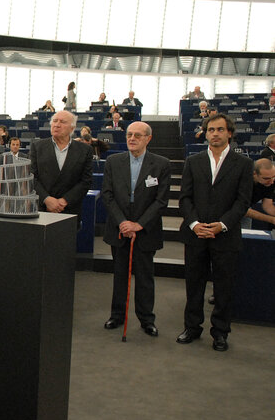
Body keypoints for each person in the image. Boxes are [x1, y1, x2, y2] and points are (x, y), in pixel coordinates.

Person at [176, 114, 252, 352]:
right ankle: (192, 327)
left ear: (229, 133)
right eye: (211, 130)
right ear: (205, 133)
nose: (215, 133)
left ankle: (220, 332)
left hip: (226, 235)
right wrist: (194, 224)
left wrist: (222, 225)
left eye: (220, 129)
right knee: (194, 284)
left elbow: (242, 202)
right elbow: (185, 198)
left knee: (223, 287)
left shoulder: (243, 164)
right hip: (195, 234)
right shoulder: (193, 161)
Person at [102, 122, 170, 337]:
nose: (132, 138)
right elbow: (108, 195)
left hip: (146, 229)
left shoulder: (161, 164)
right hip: (119, 228)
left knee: (144, 276)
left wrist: (139, 224)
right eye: (129, 134)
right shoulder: (113, 161)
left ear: (148, 139)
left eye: (137, 135)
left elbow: (161, 200)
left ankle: (146, 319)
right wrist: (123, 222)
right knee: (120, 274)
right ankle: (117, 315)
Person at [30, 111, 93, 227]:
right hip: (42, 210)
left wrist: (64, 201)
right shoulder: (37, 147)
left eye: (62, 122)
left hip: (69, 210)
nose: (57, 125)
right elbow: (31, 177)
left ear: (72, 128)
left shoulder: (85, 150)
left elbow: (86, 181)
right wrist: (47, 199)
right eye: (55, 121)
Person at [242, 158, 275, 229]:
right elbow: (242, 210)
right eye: (266, 178)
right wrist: (271, 219)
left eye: (273, 177)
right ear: (254, 174)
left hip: (246, 210)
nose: (271, 182)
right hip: (226, 211)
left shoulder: (270, 182)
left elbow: (267, 205)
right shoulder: (243, 181)